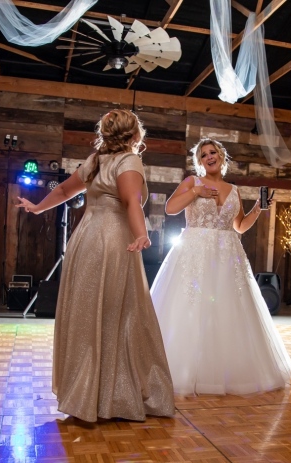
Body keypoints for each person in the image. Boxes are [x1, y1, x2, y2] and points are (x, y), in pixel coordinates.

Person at [15, 109, 175, 422]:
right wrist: (142, 234)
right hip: (113, 240)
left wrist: (36, 208)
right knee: (118, 313)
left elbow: (62, 190)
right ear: (133, 135)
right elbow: (131, 201)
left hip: (84, 239)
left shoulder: (94, 161)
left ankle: (87, 392)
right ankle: (113, 396)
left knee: (88, 313)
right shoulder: (129, 161)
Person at [150, 138, 291, 395]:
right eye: (203, 155)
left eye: (212, 152)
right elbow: (170, 208)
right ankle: (184, 370)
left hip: (227, 256)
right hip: (195, 253)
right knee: (190, 308)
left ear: (221, 156)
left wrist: (258, 210)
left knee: (227, 312)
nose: (209, 157)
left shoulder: (234, 189)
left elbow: (238, 227)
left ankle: (223, 372)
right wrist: (196, 193)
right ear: (200, 161)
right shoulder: (192, 182)